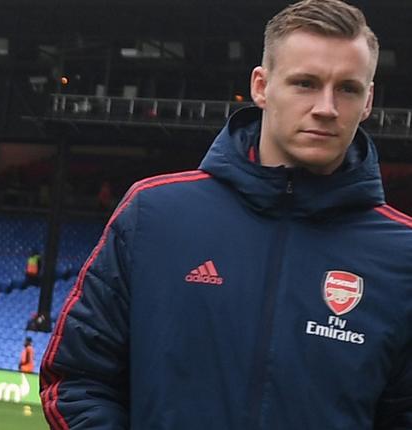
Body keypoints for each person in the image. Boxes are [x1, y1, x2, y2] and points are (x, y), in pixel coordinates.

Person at [41, 1, 412, 429]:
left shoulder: (401, 254)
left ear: (367, 101)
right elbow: (77, 378)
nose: (326, 107)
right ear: (261, 85)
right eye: (305, 83)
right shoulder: (156, 214)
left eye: (347, 88)